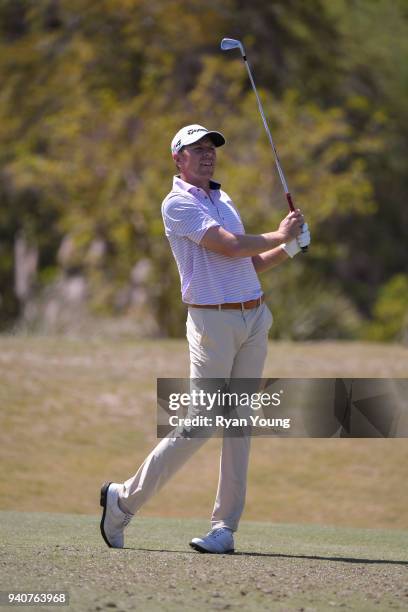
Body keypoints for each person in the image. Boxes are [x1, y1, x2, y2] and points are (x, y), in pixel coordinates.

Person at [100, 124, 310, 553]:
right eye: (196, 149)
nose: (207, 154)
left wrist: (288, 249)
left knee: (238, 427)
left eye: (211, 148)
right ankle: (122, 501)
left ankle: (224, 530)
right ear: (178, 158)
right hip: (211, 324)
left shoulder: (224, 198)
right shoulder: (176, 203)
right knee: (200, 422)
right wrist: (280, 234)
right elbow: (229, 245)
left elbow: (244, 265)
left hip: (254, 318)